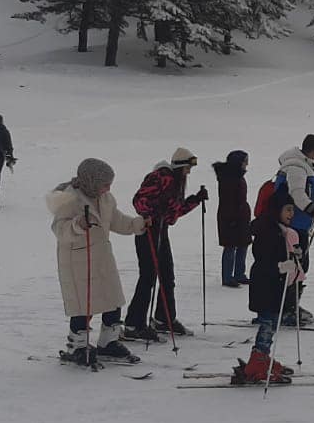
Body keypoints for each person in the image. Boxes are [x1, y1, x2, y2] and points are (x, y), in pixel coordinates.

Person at [46, 158, 146, 364]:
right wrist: (78, 224)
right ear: (91, 181)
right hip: (78, 261)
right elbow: (59, 229)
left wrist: (138, 224)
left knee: (113, 299)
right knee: (83, 306)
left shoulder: (106, 199)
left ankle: (108, 342)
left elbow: (117, 220)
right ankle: (78, 346)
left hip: (102, 258)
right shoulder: (69, 200)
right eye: (104, 183)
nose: (108, 187)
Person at [123, 148, 207, 339]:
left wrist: (195, 200)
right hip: (149, 230)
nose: (189, 172)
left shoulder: (176, 182)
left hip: (162, 229)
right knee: (148, 277)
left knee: (167, 276)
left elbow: (173, 213)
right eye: (187, 167)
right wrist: (151, 212)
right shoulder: (160, 177)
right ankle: (133, 324)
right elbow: (139, 200)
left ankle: (164, 318)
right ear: (179, 166)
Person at [240, 197, 298, 383]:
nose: (291, 214)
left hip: (273, 286)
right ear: (277, 210)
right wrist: (281, 267)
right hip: (265, 286)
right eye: (287, 209)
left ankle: (262, 357)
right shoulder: (269, 231)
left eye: (292, 210)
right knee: (267, 324)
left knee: (271, 323)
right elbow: (264, 261)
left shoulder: (279, 230)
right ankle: (257, 361)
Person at [273, 135, 314, 323]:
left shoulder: (305, 165)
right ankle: (287, 308)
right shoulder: (296, 167)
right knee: (295, 266)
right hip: (293, 225)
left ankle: (291, 304)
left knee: (301, 265)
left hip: (300, 223)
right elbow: (297, 193)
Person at [213, 150, 251, 287]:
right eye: (245, 161)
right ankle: (228, 277)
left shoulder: (236, 176)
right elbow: (229, 201)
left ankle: (239, 274)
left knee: (243, 244)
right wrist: (233, 218)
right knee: (230, 246)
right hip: (230, 217)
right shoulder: (229, 178)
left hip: (240, 216)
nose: (247, 164)